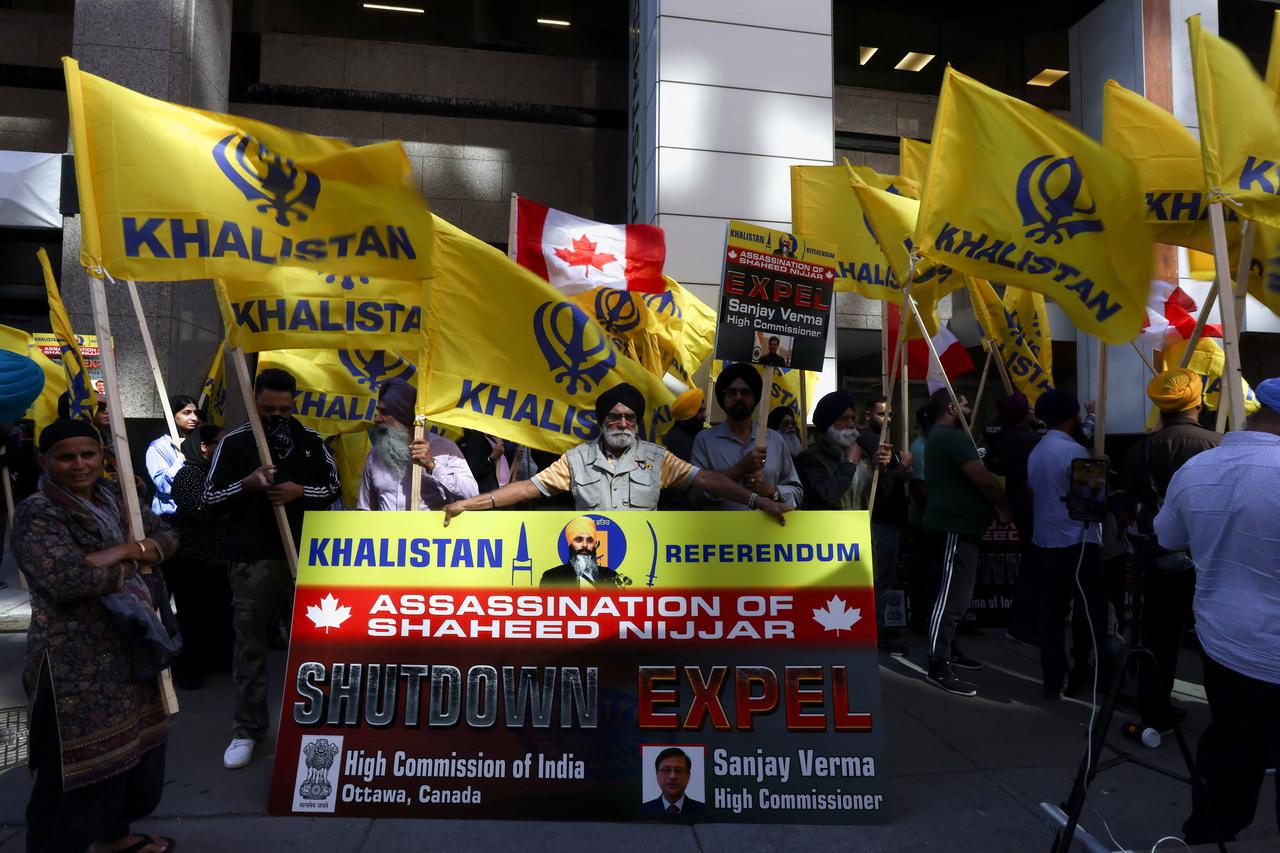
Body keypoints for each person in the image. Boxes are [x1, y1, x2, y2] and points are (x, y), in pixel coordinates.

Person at [13, 419, 180, 853]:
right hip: (74, 661)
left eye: (88, 454)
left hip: (132, 643)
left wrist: (125, 551)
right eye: (66, 457)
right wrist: (134, 562)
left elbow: (166, 537)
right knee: (76, 769)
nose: (79, 465)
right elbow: (66, 579)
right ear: (44, 461)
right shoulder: (38, 512)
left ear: (103, 454)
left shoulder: (116, 493)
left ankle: (115, 838)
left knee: (134, 756)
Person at [1155, 377, 1280, 845]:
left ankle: (1210, 829)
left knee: (1231, 742)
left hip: (1223, 641)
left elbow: (1166, 539)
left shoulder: (1197, 469)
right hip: (1252, 643)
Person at [203, 368, 342, 770]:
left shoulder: (311, 442)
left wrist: (301, 491)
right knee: (250, 646)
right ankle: (247, 729)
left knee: (319, 645)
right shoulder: (234, 443)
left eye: (284, 408)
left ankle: (317, 722)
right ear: (254, 403)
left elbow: (332, 489)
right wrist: (245, 485)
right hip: (253, 559)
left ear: (294, 403)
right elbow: (209, 500)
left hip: (309, 557)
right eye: (268, 409)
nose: (277, 415)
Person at [444, 383, 789, 524]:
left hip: (644, 578)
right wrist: (467, 504)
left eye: (629, 417)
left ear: (637, 421)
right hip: (592, 578)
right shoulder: (576, 459)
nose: (622, 423)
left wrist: (758, 502)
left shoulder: (658, 458)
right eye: (614, 416)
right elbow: (525, 488)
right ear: (603, 421)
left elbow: (709, 480)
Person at [1120, 369, 1221, 741]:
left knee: (1158, 638)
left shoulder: (1142, 448)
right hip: (1211, 560)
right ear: (1197, 401)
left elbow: (1128, 502)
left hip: (1159, 558)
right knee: (1216, 641)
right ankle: (1224, 715)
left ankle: (1154, 710)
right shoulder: (1219, 445)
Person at [920, 390, 1010, 696]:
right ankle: (938, 663)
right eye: (965, 403)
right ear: (950, 407)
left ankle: (948, 651)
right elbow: (982, 479)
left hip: (959, 529)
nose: (969, 407)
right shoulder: (950, 437)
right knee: (950, 599)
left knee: (954, 597)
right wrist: (1004, 503)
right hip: (953, 530)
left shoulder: (946, 437)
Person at [1025, 389, 1109, 700]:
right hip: (1077, 542)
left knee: (1053, 614)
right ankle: (1085, 673)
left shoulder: (1037, 452)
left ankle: (1052, 678)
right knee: (1089, 613)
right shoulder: (1073, 453)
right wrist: (1100, 470)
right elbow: (1091, 504)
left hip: (1046, 541)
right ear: (1073, 416)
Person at [168, 423, 234, 690]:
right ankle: (191, 669)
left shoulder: (220, 474)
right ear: (203, 447)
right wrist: (232, 507)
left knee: (219, 613)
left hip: (220, 559)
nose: (225, 448)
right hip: (193, 559)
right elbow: (200, 510)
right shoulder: (189, 476)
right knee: (193, 617)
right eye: (220, 442)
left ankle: (218, 660)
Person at [691, 364, 802, 511]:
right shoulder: (705, 440)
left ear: (755, 397)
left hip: (768, 531)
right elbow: (696, 496)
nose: (738, 397)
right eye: (732, 392)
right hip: (721, 532)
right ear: (722, 398)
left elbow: (797, 493)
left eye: (745, 392)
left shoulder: (775, 440)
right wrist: (740, 468)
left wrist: (772, 491)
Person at [356, 377, 477, 511]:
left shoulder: (445, 449)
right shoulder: (375, 455)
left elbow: (472, 494)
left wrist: (432, 465)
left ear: (403, 415)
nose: (376, 419)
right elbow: (365, 508)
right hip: (387, 531)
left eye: (384, 412)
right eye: (378, 411)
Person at [857, 394, 913, 653]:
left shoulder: (883, 442)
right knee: (879, 581)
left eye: (890, 415)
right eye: (882, 414)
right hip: (879, 520)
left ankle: (876, 628)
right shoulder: (869, 440)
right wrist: (900, 470)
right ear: (868, 415)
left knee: (883, 579)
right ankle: (875, 631)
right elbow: (884, 482)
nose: (887, 419)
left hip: (890, 521)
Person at [988, 393, 1043, 648]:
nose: (1034, 411)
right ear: (1023, 416)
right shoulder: (1027, 441)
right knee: (1034, 568)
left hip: (1024, 509)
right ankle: (1023, 625)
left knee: (1032, 567)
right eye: (1029, 408)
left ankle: (1025, 623)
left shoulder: (1009, 439)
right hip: (1031, 510)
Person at [144, 394, 201, 517]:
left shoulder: (200, 443)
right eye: (187, 413)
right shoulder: (158, 446)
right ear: (172, 415)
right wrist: (182, 457)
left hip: (198, 514)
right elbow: (164, 487)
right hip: (170, 515)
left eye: (195, 413)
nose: (194, 418)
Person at [540, 516, 621, 588]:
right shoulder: (552, 577)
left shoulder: (610, 575)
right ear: (570, 543)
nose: (585, 545)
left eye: (589, 540)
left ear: (595, 544)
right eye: (579, 540)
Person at [642, 747, 704, 818]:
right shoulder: (643, 810)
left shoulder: (703, 811)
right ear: (657, 774)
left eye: (678, 770)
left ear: (688, 776)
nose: (672, 776)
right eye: (666, 770)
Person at [663, 388, 706, 463]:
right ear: (685, 415)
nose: (704, 416)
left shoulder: (696, 433)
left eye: (704, 411)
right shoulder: (675, 440)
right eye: (700, 411)